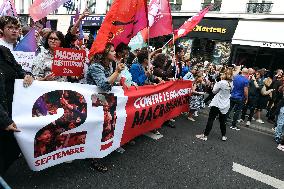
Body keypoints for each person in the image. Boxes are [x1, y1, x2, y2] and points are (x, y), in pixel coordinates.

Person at [87, 42, 125, 172]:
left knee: (112, 123)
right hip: (95, 100)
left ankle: (108, 146)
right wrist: (117, 71)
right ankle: (94, 159)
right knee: (99, 129)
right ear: (104, 53)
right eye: (112, 51)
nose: (115, 53)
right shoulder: (95, 67)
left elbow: (112, 83)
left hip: (105, 99)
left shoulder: (108, 65)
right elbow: (103, 85)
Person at [0, 46, 33, 175]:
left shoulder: (4, 51)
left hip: (12, 110)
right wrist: (4, 120)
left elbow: (19, 70)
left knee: (13, 149)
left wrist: (27, 75)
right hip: (3, 116)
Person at [196, 68, 233, 141]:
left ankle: (205, 135)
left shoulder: (221, 82)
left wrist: (216, 83)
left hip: (217, 103)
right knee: (222, 121)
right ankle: (223, 136)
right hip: (225, 104)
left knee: (211, 119)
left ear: (224, 74)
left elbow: (213, 91)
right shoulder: (231, 83)